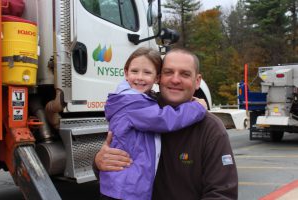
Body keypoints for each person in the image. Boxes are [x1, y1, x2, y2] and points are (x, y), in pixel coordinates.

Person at [95, 48, 238, 200]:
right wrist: (98, 161)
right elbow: (115, 159)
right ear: (160, 78)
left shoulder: (210, 129)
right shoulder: (139, 108)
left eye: (185, 74)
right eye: (169, 72)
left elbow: (222, 194)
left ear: (197, 81)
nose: (175, 80)